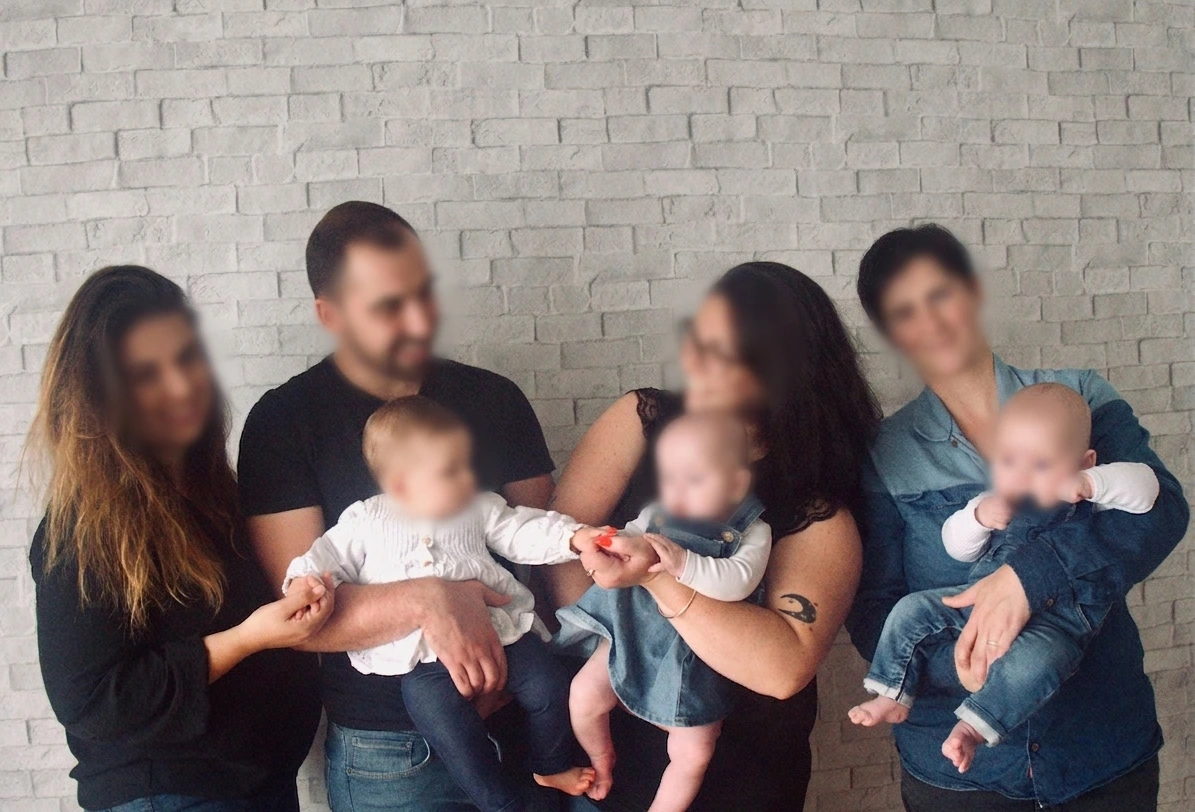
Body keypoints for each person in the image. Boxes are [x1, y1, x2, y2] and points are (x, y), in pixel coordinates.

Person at [846, 224, 1189, 811]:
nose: (930, 322)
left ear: (973, 291)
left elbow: (1162, 513)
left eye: (940, 295)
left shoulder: (1079, 397)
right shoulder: (886, 454)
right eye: (904, 312)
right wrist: (971, 663)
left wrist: (1025, 581)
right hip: (957, 775)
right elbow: (874, 609)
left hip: (1098, 745)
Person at [237, 201, 560, 810]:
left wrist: (547, 679)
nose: (419, 320)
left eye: (424, 293)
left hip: (523, 719)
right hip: (391, 752)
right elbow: (299, 616)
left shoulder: (496, 400)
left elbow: (546, 564)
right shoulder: (284, 422)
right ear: (330, 314)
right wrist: (432, 599)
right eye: (389, 306)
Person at [547, 261, 882, 812]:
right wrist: (619, 647)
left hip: (740, 770)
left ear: (780, 365)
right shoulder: (644, 420)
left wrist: (657, 579)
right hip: (611, 754)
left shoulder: (812, 500)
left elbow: (782, 667)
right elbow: (560, 542)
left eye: (719, 349)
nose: (694, 359)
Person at [26, 266, 326, 812]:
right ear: (101, 396)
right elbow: (92, 700)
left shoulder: (215, 496)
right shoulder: (81, 531)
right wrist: (246, 639)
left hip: (254, 787)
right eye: (147, 373)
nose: (182, 385)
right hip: (167, 794)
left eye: (187, 358)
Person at [285, 396, 604, 810]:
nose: (468, 478)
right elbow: (324, 557)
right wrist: (304, 582)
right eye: (451, 470)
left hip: (500, 632)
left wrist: (573, 538)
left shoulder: (477, 507)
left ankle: (552, 764)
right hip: (422, 659)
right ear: (401, 484)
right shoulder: (364, 519)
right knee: (437, 715)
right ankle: (496, 799)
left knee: (549, 683)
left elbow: (522, 530)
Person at [849, 383, 1160, 773]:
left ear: (1085, 461)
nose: (1023, 476)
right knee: (911, 610)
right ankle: (893, 692)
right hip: (977, 603)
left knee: (1039, 664)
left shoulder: (1092, 494)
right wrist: (977, 519)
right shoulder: (995, 499)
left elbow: (1148, 490)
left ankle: (974, 726)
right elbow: (956, 547)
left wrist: (1091, 483)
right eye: (1010, 461)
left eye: (1042, 464)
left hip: (1056, 624)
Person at [556, 413, 772, 811]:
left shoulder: (752, 530)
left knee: (694, 751)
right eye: (670, 479)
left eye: (694, 479)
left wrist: (685, 566)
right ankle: (601, 759)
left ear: (736, 484)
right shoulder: (657, 512)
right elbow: (630, 536)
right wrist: (608, 546)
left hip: (695, 655)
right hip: (632, 631)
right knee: (583, 695)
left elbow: (740, 582)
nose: (678, 492)